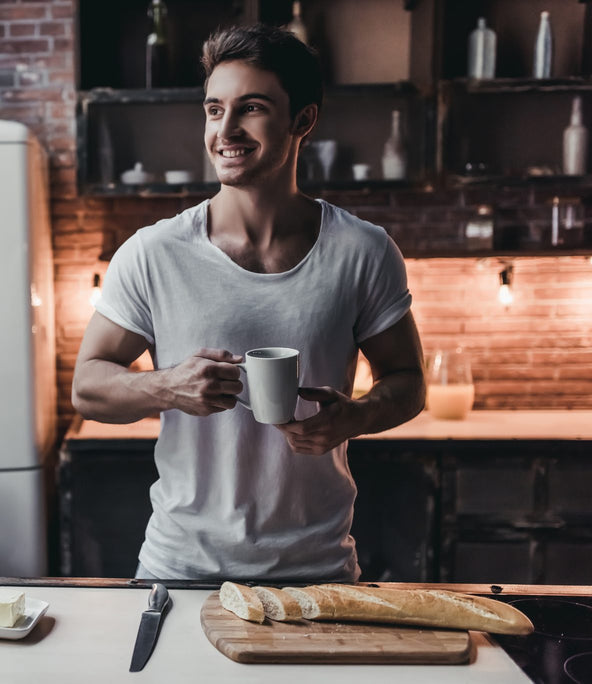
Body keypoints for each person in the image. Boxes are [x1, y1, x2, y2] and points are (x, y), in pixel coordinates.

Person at [71, 24, 425, 582]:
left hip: (317, 571)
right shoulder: (153, 252)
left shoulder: (364, 250)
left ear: (302, 121)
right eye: (214, 109)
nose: (225, 130)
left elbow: (407, 381)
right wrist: (167, 387)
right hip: (180, 569)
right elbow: (88, 387)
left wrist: (355, 417)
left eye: (251, 108)